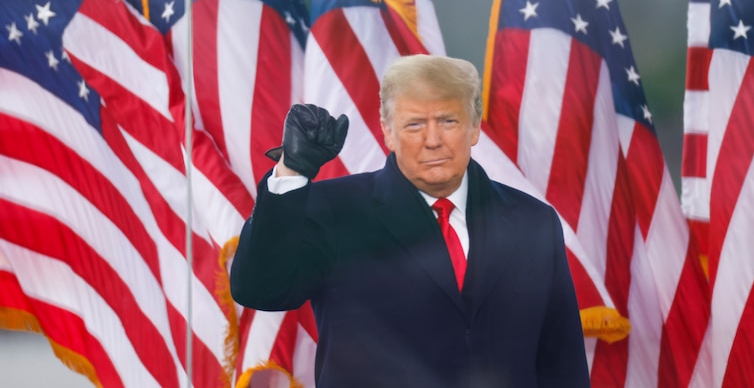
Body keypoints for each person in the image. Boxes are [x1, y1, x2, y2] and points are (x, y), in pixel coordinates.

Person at [230, 54, 590, 387]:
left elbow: (562, 361)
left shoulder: (533, 221)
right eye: (415, 124)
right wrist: (293, 171)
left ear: (475, 127)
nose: (433, 140)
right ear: (388, 131)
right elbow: (261, 289)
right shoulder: (334, 209)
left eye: (448, 121)